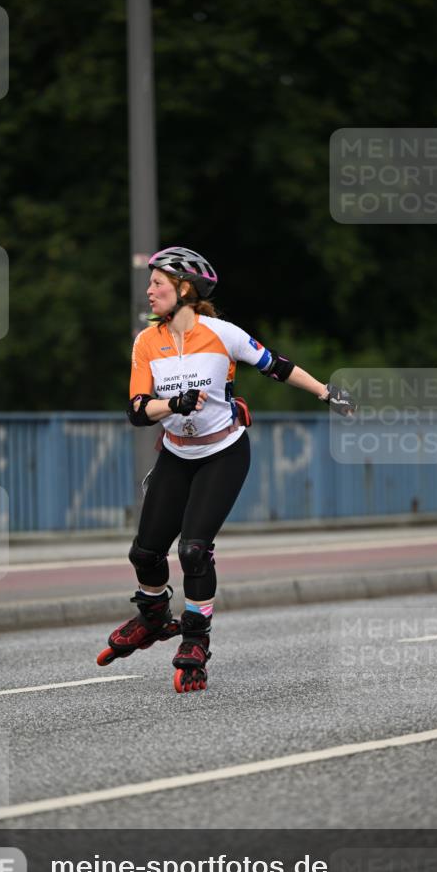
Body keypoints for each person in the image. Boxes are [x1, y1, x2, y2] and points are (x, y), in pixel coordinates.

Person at [96, 246, 355, 692]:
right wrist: (172, 405)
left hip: (224, 454)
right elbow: (137, 411)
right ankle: (155, 616)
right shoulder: (146, 342)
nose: (149, 290)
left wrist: (325, 392)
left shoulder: (221, 334)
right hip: (177, 453)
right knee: (144, 554)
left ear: (184, 289)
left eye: (157, 283)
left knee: (194, 550)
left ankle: (195, 642)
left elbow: (277, 366)